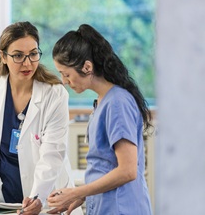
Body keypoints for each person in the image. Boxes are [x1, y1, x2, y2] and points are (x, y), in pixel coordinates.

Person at [0, 21, 83, 215]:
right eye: (18, 56)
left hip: (48, 196)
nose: (27, 63)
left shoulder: (55, 94)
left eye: (33, 54)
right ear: (3, 56)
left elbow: (52, 153)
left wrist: (38, 197)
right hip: (2, 196)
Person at [47, 24, 153, 215]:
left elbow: (128, 170)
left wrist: (75, 192)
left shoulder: (117, 103)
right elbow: (106, 165)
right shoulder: (102, 101)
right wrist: (82, 197)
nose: (64, 81)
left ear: (87, 67)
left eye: (66, 74)